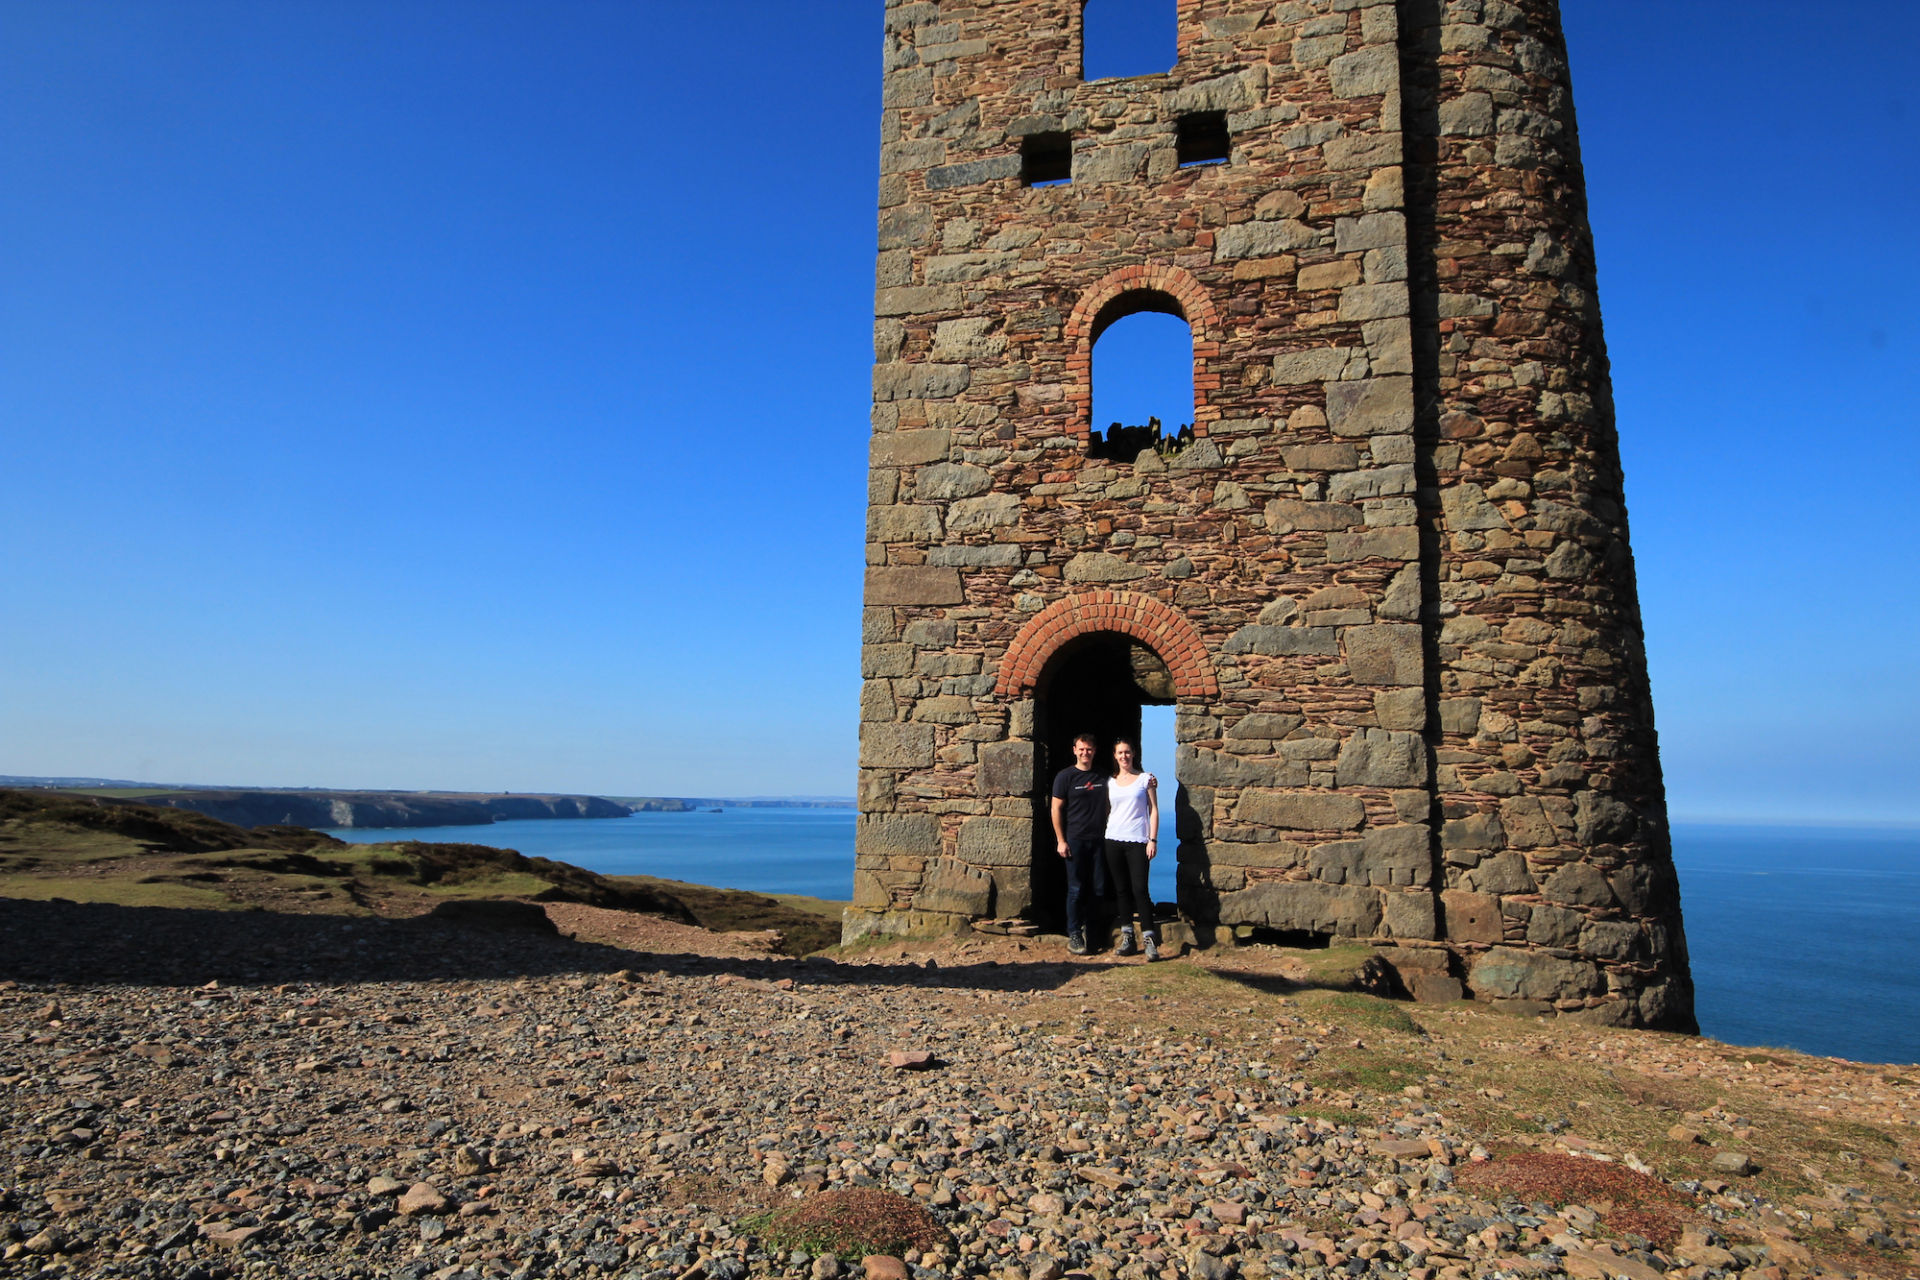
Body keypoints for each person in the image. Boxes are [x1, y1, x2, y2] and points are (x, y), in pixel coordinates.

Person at [1049, 731, 1108, 955]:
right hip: (1074, 840)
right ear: (1074, 750)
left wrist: (1149, 781)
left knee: (1098, 889)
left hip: (1099, 841)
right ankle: (1074, 933)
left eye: (1089, 749)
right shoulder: (1065, 777)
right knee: (1076, 889)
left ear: (1095, 751)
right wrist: (1060, 840)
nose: (1085, 753)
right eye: (1081, 749)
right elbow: (1056, 808)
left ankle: (1092, 931)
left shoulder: (1103, 776)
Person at [1103, 739, 1161, 961]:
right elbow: (1109, 810)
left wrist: (1152, 840)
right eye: (1120, 753)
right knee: (1121, 890)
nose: (1124, 756)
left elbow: (1154, 810)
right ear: (1115, 756)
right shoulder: (1110, 782)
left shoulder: (1146, 779)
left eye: (1127, 752)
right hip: (1113, 839)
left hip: (1138, 840)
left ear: (1133, 754)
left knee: (1140, 890)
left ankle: (1149, 940)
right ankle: (1128, 937)